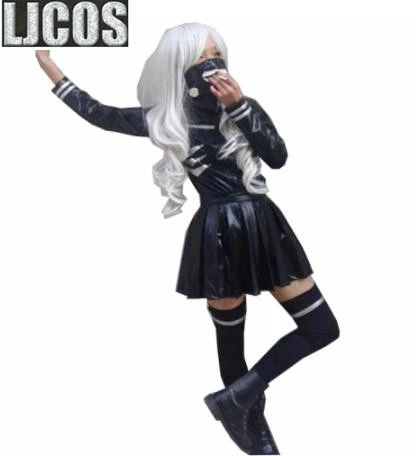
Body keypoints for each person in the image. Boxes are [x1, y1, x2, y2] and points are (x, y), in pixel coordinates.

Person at [35, 22, 341, 455]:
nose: (212, 63)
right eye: (201, 57)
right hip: (218, 233)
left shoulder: (243, 106)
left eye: (217, 54)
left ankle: (236, 397)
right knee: (231, 346)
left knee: (321, 327)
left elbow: (277, 157)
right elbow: (100, 114)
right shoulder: (167, 119)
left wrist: (239, 107)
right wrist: (49, 67)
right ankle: (252, 427)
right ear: (180, 65)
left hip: (264, 224)